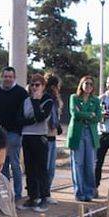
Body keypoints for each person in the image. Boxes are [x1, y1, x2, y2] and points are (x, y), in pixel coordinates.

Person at [0, 66, 28, 202]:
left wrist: (20, 130)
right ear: (2, 77)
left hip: (14, 133)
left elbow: (26, 112)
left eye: (10, 76)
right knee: (1, 164)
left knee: (14, 163)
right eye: (5, 76)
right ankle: (5, 192)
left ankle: (17, 193)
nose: (8, 79)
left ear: (14, 78)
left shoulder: (21, 93)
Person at [20, 74, 55, 212]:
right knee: (29, 168)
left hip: (40, 136)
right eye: (32, 84)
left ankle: (44, 197)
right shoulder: (25, 100)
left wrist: (36, 101)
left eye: (37, 85)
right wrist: (32, 120)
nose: (34, 87)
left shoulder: (47, 100)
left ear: (43, 86)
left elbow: (41, 117)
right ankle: (32, 196)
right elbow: (20, 119)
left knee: (41, 169)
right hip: (27, 136)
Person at [67, 76, 101, 202]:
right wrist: (89, 114)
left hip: (91, 133)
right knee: (78, 163)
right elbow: (75, 115)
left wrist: (86, 115)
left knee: (89, 163)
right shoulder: (74, 98)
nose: (88, 86)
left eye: (91, 84)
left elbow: (98, 117)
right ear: (81, 85)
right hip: (78, 133)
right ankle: (79, 191)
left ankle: (89, 192)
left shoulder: (96, 100)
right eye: (86, 83)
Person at [43, 74, 63, 204]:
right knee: (46, 168)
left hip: (52, 136)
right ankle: (43, 194)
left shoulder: (56, 101)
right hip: (45, 136)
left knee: (51, 168)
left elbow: (56, 118)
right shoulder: (46, 99)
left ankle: (47, 192)